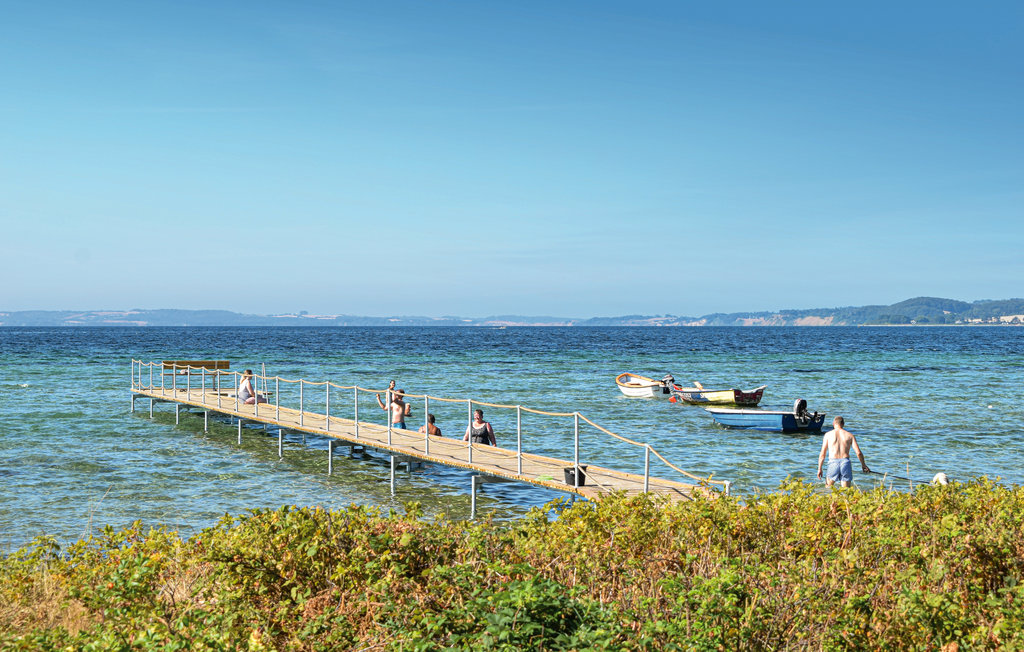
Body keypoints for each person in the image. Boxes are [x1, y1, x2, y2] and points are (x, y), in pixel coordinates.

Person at [816, 416, 869, 487]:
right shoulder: (850, 435)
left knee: (828, 488)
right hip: (845, 462)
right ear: (843, 424)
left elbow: (823, 454)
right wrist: (863, 465)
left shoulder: (828, 435)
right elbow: (858, 453)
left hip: (833, 462)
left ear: (833, 423)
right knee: (846, 491)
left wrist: (819, 468)